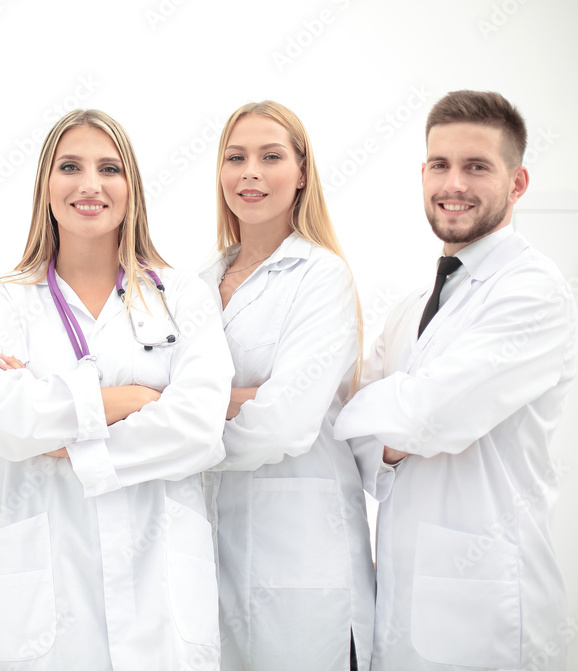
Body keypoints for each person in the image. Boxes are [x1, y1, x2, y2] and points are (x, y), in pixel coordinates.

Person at [0, 109, 233, 670]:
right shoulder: (4, 301)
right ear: (45, 185)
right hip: (44, 600)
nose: (90, 184)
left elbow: (199, 428)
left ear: (131, 187)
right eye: (70, 167)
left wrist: (55, 431)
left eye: (109, 168)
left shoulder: (182, 296)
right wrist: (130, 401)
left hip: (160, 587)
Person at [334, 90, 577, 671]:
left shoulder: (533, 290)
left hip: (489, 612)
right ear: (422, 175)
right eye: (440, 165)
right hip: (403, 598)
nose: (454, 184)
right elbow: (359, 441)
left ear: (517, 183)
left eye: (477, 167)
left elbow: (431, 416)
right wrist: (390, 429)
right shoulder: (412, 306)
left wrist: (394, 422)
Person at [197, 101, 375, 671]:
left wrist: (180, 422)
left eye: (270, 157)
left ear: (301, 173)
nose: (250, 172)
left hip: (304, 561)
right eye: (236, 158)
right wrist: (240, 400)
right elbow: (158, 395)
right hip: (213, 557)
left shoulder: (322, 275)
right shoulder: (195, 284)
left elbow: (284, 423)